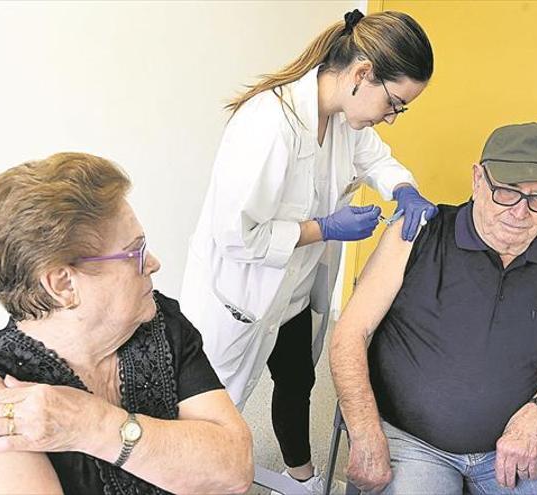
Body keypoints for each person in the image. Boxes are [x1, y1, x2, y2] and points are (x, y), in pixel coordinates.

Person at [179, 8, 437, 491]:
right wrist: (324, 228)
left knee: (297, 383)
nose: (391, 117)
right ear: (363, 74)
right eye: (395, 103)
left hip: (294, 294)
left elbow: (378, 159)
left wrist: (403, 188)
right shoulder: (268, 125)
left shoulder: (341, 119)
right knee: (212, 413)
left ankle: (301, 477)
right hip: (243, 297)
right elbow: (236, 236)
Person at [0, 153, 253, 494]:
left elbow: (234, 468)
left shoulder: (157, 323)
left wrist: (95, 425)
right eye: (135, 253)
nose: (154, 264)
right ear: (64, 285)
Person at [330, 122, 537, 494]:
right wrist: (365, 432)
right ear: (477, 179)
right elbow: (349, 334)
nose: (521, 213)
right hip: (413, 443)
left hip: (512, 446)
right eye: (507, 192)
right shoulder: (418, 233)